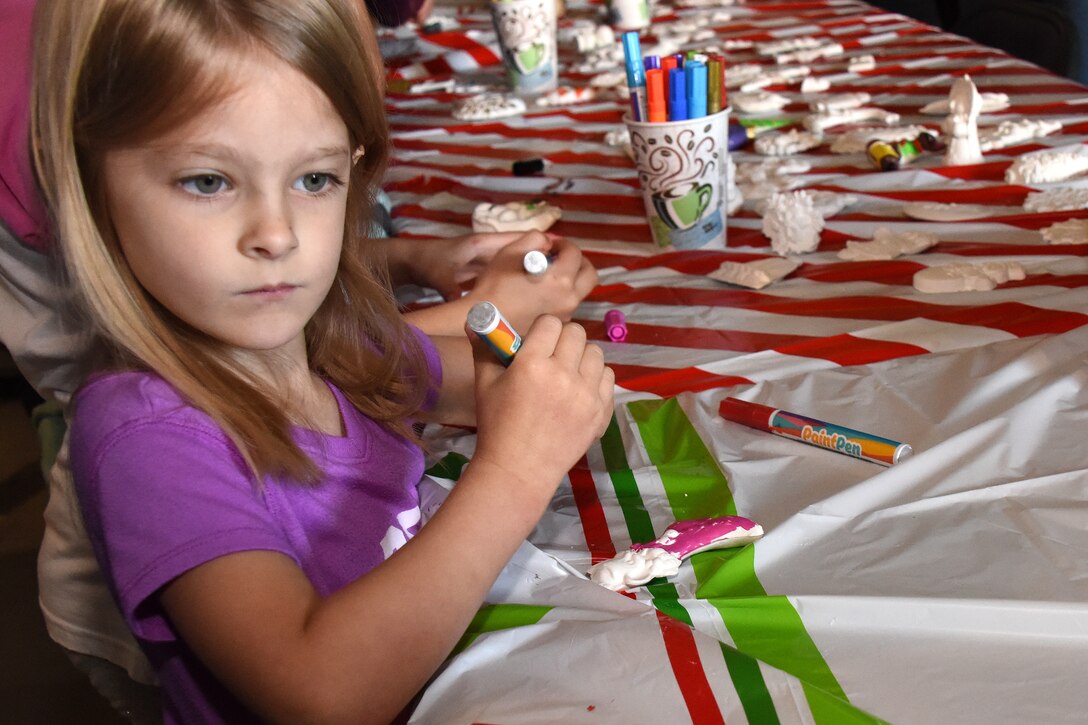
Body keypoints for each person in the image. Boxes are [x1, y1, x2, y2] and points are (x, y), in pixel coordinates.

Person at [30, 0, 614, 722]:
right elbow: (323, 692)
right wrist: (516, 472)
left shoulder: (321, 337)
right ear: (90, 184)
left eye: (313, 180)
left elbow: (469, 383)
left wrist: (541, 394)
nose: (277, 235)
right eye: (208, 181)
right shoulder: (146, 437)